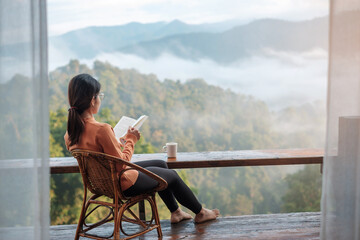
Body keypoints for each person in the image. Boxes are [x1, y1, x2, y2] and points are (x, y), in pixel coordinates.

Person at [64, 73, 219, 224]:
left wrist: (117, 142)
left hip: (101, 183)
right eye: (100, 96)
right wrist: (131, 140)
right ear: (93, 100)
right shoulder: (102, 129)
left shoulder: (70, 133)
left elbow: (101, 157)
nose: (100, 99)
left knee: (160, 164)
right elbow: (122, 164)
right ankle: (201, 213)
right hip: (122, 183)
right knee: (171, 175)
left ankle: (176, 212)